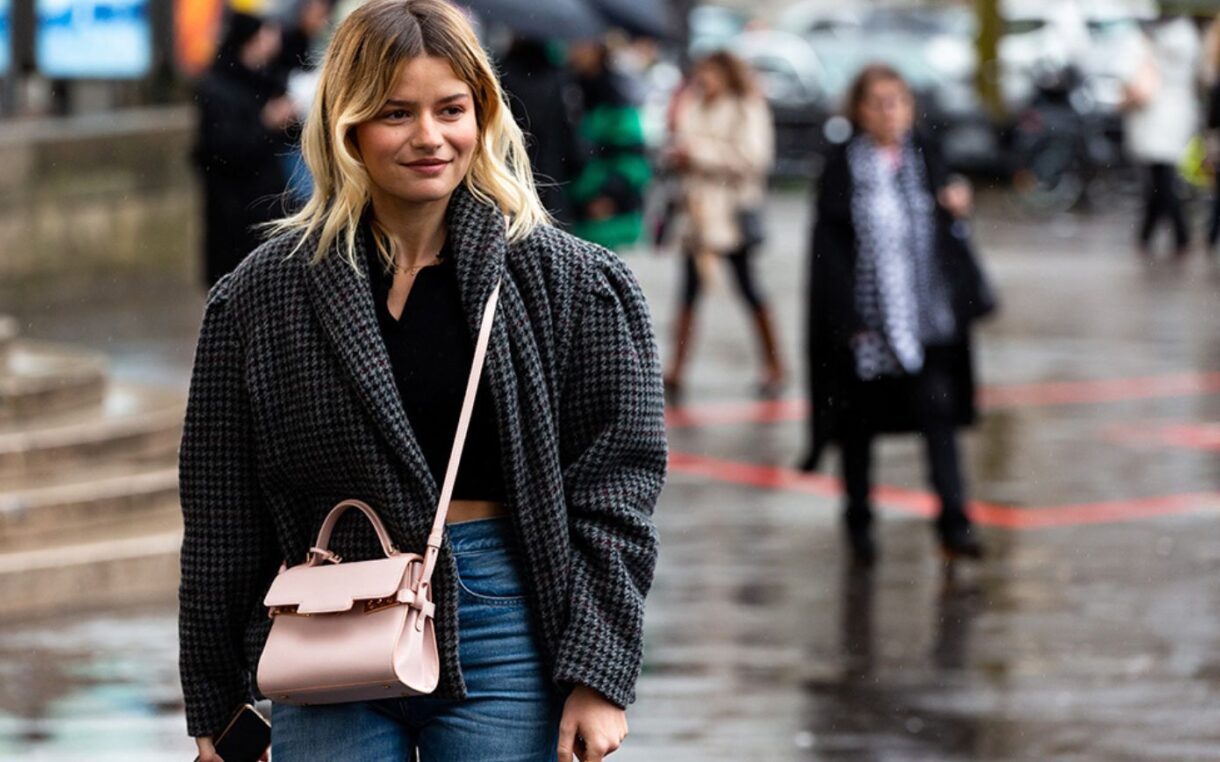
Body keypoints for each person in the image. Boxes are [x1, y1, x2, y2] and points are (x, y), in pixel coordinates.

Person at [178, 2, 667, 761]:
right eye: (396, 113)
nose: (430, 137)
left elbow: (616, 490)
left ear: (485, 114)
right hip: (326, 624)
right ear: (347, 124)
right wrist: (216, 700)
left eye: (452, 109)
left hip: (507, 618)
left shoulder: (570, 283)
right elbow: (222, 515)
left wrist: (599, 674)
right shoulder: (261, 298)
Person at [801, 64, 992, 566]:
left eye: (900, 101)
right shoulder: (843, 164)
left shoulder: (925, 154)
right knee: (858, 428)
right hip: (865, 325)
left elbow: (946, 225)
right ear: (859, 110)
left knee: (939, 417)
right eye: (880, 102)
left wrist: (956, 206)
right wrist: (844, 318)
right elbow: (828, 248)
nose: (892, 112)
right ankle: (859, 523)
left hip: (926, 320)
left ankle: (955, 524)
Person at [661, 51, 784, 402]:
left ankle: (775, 364)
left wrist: (698, 153)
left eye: (711, 73)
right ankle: (677, 367)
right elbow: (681, 140)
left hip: (730, 214)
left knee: (749, 287)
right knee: (688, 291)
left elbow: (754, 158)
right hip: (697, 216)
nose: (705, 80)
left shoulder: (746, 105)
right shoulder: (693, 102)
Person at [193, 11, 295, 287]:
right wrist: (266, 123)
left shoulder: (267, 79)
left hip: (268, 206)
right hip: (234, 212)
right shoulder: (219, 87)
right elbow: (223, 149)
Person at [1120, 16, 1200, 260]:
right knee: (1159, 180)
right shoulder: (1182, 40)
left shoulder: (1161, 43)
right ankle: (1156, 234)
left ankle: (1175, 234)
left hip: (1160, 120)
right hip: (1168, 118)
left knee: (1161, 181)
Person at [567, 40, 651, 250]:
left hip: (599, 206)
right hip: (573, 200)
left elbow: (631, 158)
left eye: (581, 46)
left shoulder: (613, 97)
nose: (574, 51)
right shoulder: (569, 86)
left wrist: (608, 194)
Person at [499, 37, 585, 228]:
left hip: (509, 179)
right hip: (553, 181)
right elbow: (572, 143)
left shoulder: (500, 74)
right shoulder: (560, 79)